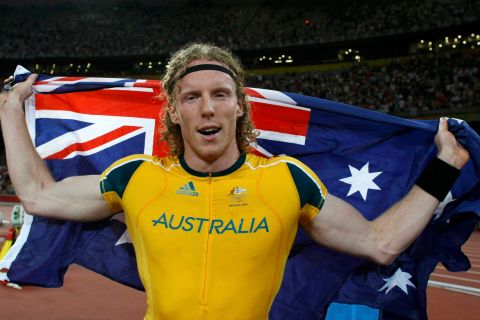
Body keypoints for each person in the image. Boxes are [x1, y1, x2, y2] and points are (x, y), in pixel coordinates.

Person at [0, 43, 470, 319]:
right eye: (191, 97)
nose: (207, 107)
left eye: (220, 95)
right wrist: (8, 107)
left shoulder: (289, 180)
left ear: (239, 105)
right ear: (173, 111)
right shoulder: (135, 177)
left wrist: (445, 165)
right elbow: (39, 194)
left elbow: (380, 243)